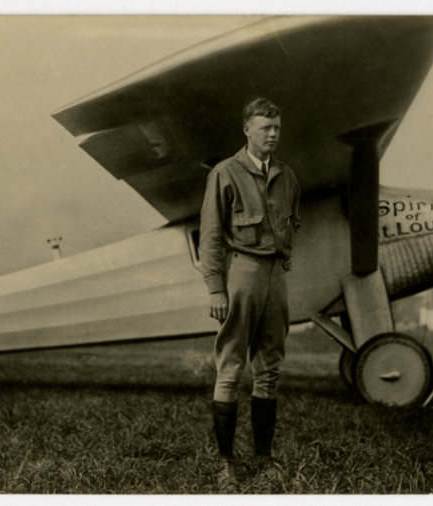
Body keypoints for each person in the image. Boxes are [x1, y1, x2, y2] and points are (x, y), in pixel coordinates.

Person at [198, 98, 300, 492]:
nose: (272, 134)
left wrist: (286, 254)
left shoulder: (287, 175)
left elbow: (292, 221)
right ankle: (226, 464)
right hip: (240, 273)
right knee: (231, 367)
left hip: (276, 277)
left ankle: (263, 457)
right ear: (247, 129)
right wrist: (215, 288)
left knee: (270, 367)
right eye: (264, 128)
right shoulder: (225, 173)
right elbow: (210, 237)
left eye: (276, 128)